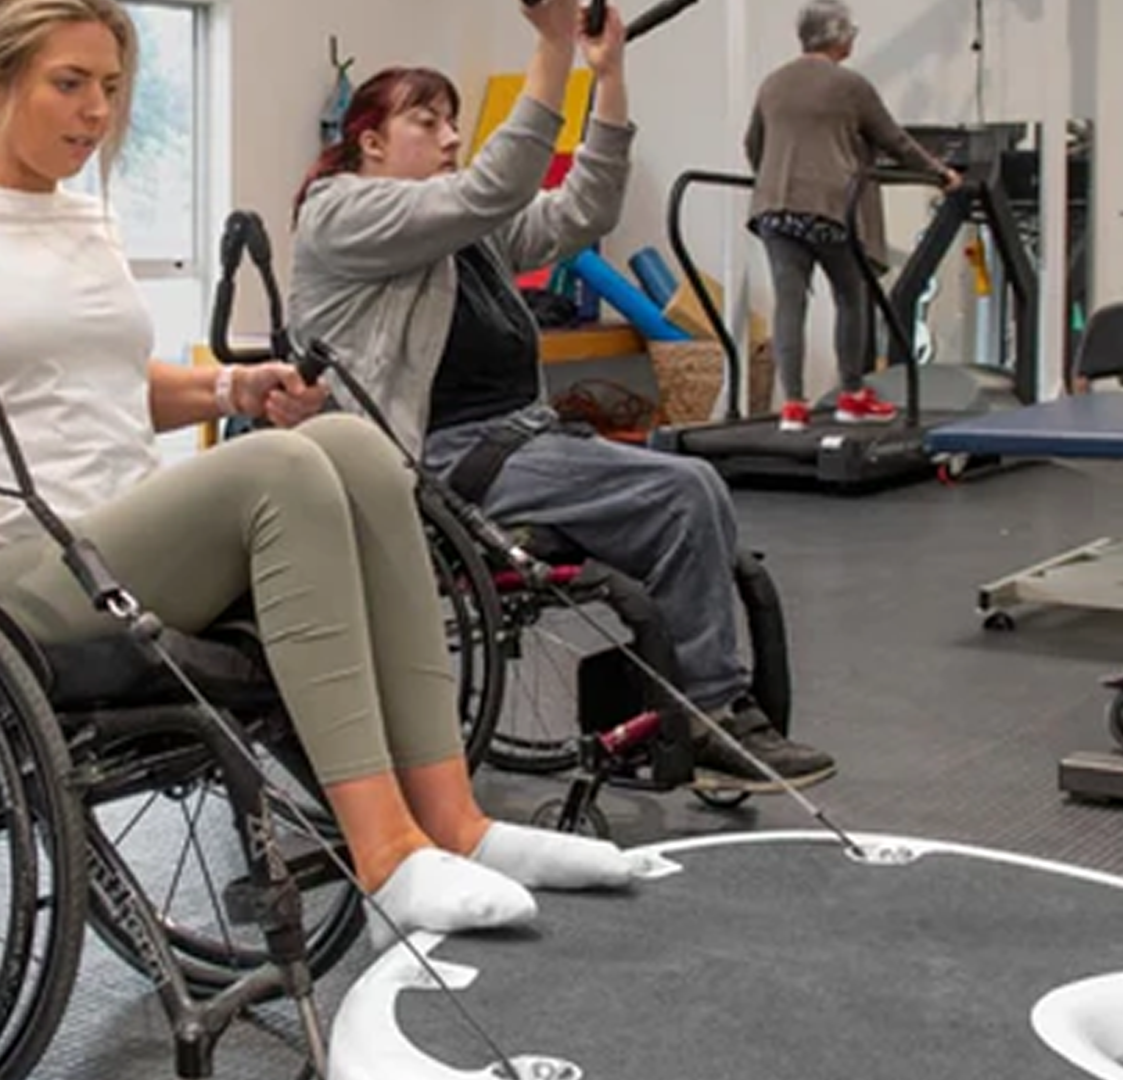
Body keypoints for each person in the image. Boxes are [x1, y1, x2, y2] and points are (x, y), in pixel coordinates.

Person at [0, 0, 635, 952]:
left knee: (353, 449)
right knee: (283, 476)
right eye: (69, 84)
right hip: (6, 575)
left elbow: (102, 386)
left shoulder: (81, 219)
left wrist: (229, 386)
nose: (96, 111)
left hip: (116, 540)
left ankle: (459, 826)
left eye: (109, 87)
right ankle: (385, 855)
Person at [288, 0, 836, 788]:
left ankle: (672, 709)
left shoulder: (462, 233)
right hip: (433, 463)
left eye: (454, 121)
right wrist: (550, 46)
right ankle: (712, 713)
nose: (451, 136)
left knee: (688, 491)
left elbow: (585, 210)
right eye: (427, 121)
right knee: (685, 492)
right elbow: (495, 184)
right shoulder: (340, 211)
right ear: (369, 141)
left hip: (523, 438)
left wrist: (607, 77)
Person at [746, 0, 964, 432]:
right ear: (841, 37)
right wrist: (941, 174)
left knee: (789, 303)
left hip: (774, 209)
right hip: (831, 207)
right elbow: (896, 141)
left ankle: (792, 405)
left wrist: (774, 183)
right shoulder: (850, 86)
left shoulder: (772, 84)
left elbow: (753, 144)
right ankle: (852, 395)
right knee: (852, 295)